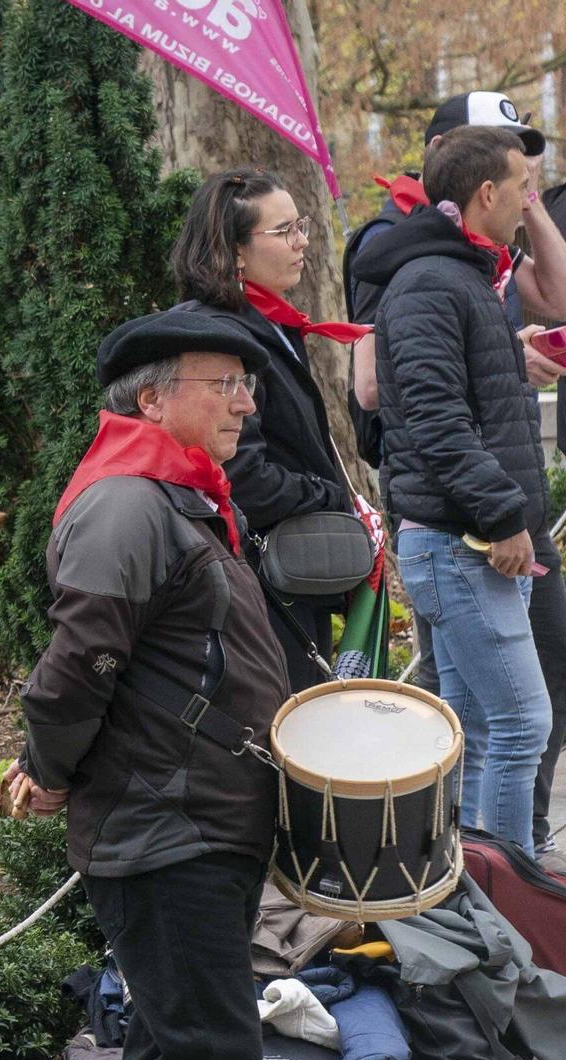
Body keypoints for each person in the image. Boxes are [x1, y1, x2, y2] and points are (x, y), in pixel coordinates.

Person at [3, 309, 297, 1060]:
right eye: (225, 383)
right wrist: (47, 767)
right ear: (152, 397)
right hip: (164, 824)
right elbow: (74, 666)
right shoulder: (127, 504)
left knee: (176, 1048)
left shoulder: (172, 497)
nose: (245, 403)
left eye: (247, 384)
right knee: (211, 1050)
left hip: (192, 815)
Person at [348, 97, 566, 856]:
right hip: (461, 541)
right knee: (521, 723)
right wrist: (504, 518)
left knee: (475, 726)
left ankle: (475, 892)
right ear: (486, 194)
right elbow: (437, 421)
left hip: (471, 539)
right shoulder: (431, 284)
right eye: (522, 188)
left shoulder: (465, 276)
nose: (528, 200)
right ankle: (509, 897)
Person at [170, 168, 370, 688]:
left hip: (286, 576)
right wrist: (328, 495)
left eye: (301, 225)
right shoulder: (220, 336)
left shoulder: (267, 323)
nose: (302, 241)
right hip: (258, 586)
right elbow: (240, 476)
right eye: (284, 231)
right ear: (235, 252)